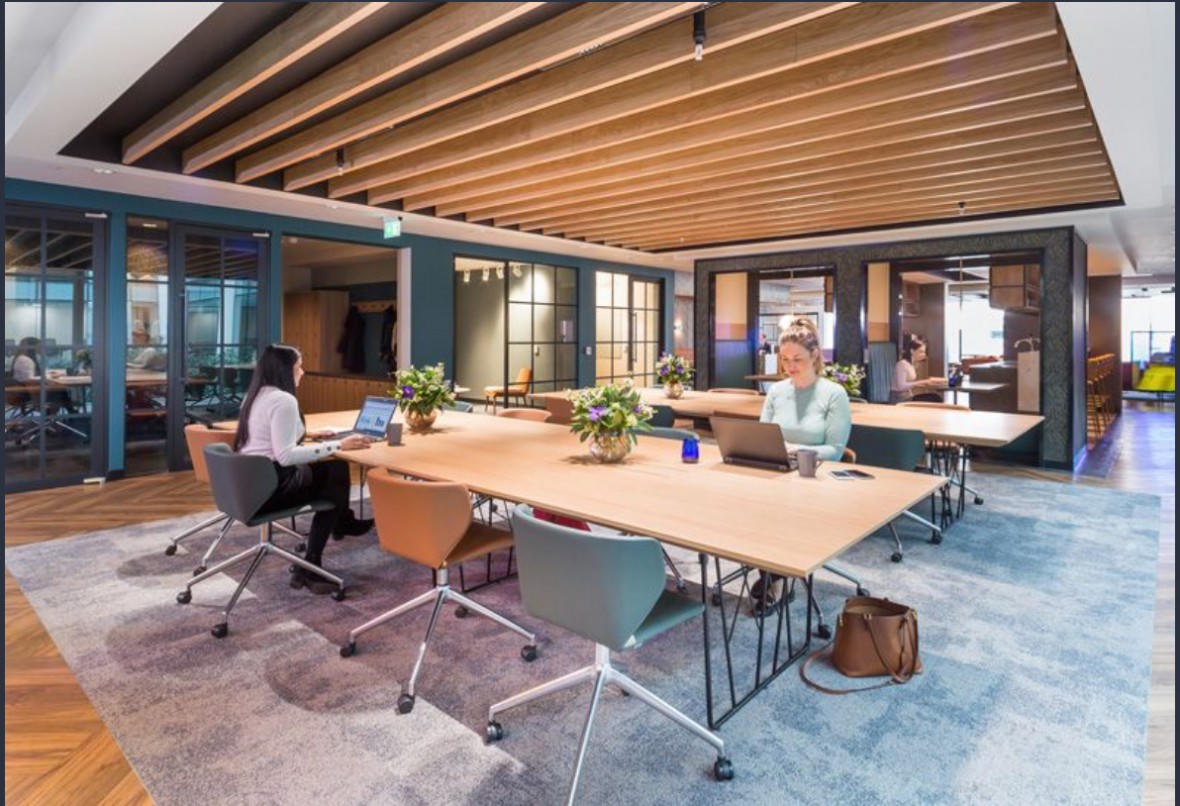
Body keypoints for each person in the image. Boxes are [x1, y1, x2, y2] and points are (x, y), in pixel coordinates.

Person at [234, 343, 374, 593]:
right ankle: (313, 563)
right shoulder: (283, 400)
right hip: (270, 489)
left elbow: (267, 436)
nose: (303, 372)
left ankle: (342, 521)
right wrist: (338, 444)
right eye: (298, 367)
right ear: (284, 370)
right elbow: (285, 455)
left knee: (333, 469)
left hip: (248, 485)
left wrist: (309, 434)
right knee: (335, 473)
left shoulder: (255, 395)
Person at [752, 318, 852, 614]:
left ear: (815, 356)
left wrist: (796, 449)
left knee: (778, 510)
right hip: (778, 471)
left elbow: (835, 450)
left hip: (814, 476)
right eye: (784, 359)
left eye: (797, 359)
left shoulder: (833, 393)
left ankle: (775, 577)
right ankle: (769, 569)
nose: (790, 366)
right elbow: (762, 435)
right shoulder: (776, 391)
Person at [891, 334, 944, 403]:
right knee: (935, 398)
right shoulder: (902, 364)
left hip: (908, 396)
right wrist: (921, 382)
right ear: (912, 351)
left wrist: (929, 382)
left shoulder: (912, 365)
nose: (924, 355)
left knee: (935, 397)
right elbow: (901, 386)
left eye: (924, 352)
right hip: (899, 398)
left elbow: (911, 384)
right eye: (921, 352)